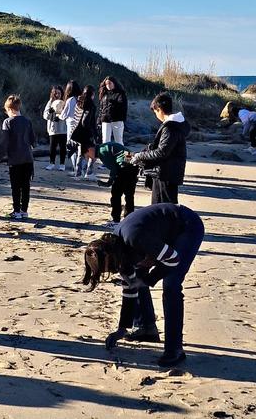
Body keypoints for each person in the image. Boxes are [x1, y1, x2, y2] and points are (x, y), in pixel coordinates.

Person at [81, 203, 205, 367]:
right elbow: (130, 288)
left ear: (110, 256)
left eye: (110, 268)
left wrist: (149, 278)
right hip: (160, 234)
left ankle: (175, 350)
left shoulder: (134, 237)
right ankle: (147, 328)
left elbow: (173, 259)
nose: (112, 271)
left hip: (186, 225)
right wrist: (121, 329)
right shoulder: (117, 250)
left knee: (171, 285)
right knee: (137, 278)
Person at [130, 93, 190, 204]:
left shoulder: (170, 127)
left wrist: (140, 156)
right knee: (162, 208)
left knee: (164, 208)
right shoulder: (176, 124)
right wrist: (146, 150)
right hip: (168, 172)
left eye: (155, 112)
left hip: (166, 173)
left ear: (159, 109)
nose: (156, 116)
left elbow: (162, 152)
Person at [2, 95, 36, 220]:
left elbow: (5, 142)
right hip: (28, 158)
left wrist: (1, 155)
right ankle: (24, 211)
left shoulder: (7, 122)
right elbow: (33, 141)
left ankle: (16, 211)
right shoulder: (27, 122)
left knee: (15, 186)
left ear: (9, 109)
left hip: (15, 159)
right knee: (26, 186)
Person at [96, 142, 139, 228]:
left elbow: (114, 169)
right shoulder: (105, 147)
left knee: (116, 195)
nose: (88, 157)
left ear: (90, 150)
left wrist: (109, 182)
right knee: (129, 196)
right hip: (133, 164)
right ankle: (129, 221)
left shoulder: (102, 152)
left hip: (124, 166)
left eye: (86, 155)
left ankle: (116, 220)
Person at [71, 85, 100, 181]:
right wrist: (93, 133)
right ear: (92, 94)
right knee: (93, 153)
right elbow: (86, 121)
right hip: (87, 133)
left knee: (81, 153)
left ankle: (78, 174)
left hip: (77, 132)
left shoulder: (79, 102)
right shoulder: (90, 105)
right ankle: (89, 172)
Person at [42, 86, 68, 171]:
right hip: (53, 129)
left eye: (59, 93)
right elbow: (45, 115)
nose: (57, 95)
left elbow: (68, 113)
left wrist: (61, 116)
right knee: (52, 147)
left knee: (63, 147)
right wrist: (51, 115)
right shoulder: (50, 102)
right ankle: (51, 163)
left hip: (63, 128)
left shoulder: (65, 102)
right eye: (55, 93)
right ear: (53, 94)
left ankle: (62, 164)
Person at [59, 80, 82, 172]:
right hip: (81, 126)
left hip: (72, 126)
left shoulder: (70, 100)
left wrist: (58, 115)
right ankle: (81, 168)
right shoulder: (81, 98)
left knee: (72, 147)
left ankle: (76, 169)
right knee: (80, 147)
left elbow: (64, 115)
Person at [98, 76, 128, 145]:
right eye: (106, 84)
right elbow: (101, 109)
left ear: (114, 83)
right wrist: (99, 120)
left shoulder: (120, 94)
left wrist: (113, 104)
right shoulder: (104, 94)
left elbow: (123, 107)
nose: (108, 85)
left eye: (109, 83)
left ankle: (121, 155)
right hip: (105, 120)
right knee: (105, 141)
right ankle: (106, 155)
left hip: (117, 120)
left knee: (118, 141)